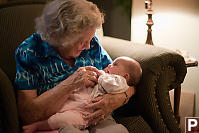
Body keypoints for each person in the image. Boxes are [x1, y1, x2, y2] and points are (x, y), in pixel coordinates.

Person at [14, 0, 136, 132]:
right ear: (60, 36)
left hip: (99, 119)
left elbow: (127, 82)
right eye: (82, 41)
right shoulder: (30, 52)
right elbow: (28, 115)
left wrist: (120, 98)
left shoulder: (93, 43)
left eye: (90, 39)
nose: (88, 46)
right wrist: (70, 84)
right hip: (61, 122)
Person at [22, 56, 142, 133]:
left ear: (125, 76)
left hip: (88, 114)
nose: (110, 65)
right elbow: (29, 112)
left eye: (115, 64)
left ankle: (41, 126)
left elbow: (117, 85)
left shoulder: (115, 79)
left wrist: (122, 95)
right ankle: (42, 125)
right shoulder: (30, 52)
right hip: (79, 101)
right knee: (61, 116)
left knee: (64, 120)